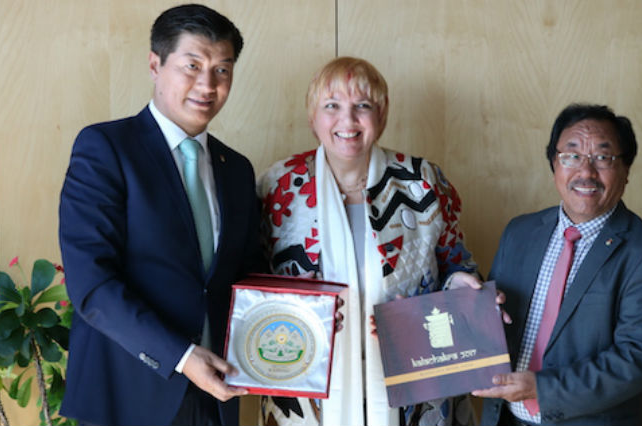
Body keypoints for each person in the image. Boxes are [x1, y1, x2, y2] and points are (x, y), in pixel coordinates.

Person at [58, 4, 261, 425]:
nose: (207, 84)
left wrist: (307, 319)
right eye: (192, 65)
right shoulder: (106, 149)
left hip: (217, 397)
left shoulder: (236, 169)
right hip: (128, 394)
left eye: (222, 70)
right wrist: (183, 358)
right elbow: (92, 285)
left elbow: (247, 277)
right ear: (155, 64)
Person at [258, 57, 482, 426]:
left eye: (363, 106)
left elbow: (455, 263)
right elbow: (254, 280)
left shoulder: (422, 181)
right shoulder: (278, 186)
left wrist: (463, 284)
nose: (348, 121)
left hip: (413, 377)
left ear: (382, 114)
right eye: (332, 106)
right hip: (307, 382)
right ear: (313, 116)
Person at [474, 104, 642, 426]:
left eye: (603, 157)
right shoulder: (520, 232)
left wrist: (543, 389)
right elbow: (489, 318)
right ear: (554, 164)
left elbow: (637, 359)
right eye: (571, 156)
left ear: (626, 170)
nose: (586, 172)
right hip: (507, 418)